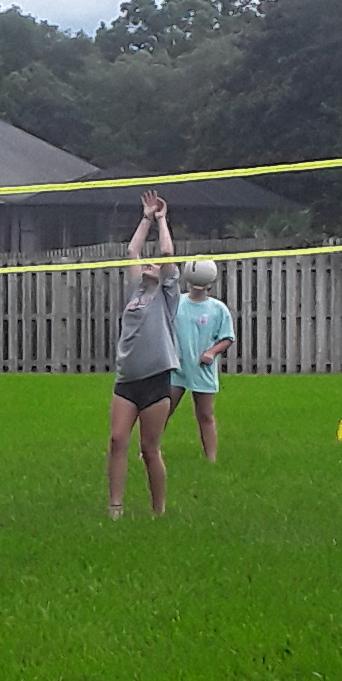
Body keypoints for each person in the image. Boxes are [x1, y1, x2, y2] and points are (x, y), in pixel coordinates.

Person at [107, 191, 181, 518]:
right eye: (146, 265)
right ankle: (115, 506)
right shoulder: (136, 291)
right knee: (117, 440)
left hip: (155, 381)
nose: (149, 264)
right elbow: (132, 251)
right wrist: (145, 218)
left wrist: (162, 219)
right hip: (127, 379)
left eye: (155, 266)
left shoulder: (167, 296)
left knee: (149, 450)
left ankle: (158, 511)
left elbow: (166, 253)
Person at [170, 256, 235, 462]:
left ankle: (211, 459)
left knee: (205, 415)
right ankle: (147, 451)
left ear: (210, 284)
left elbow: (227, 338)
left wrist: (211, 352)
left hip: (202, 369)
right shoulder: (176, 303)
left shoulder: (218, 309)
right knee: (161, 412)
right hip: (176, 369)